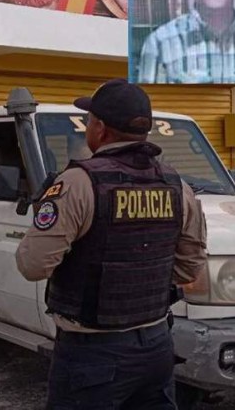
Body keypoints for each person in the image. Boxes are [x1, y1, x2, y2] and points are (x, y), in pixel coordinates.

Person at [15, 78, 207, 409]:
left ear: (100, 129)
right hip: (157, 346)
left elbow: (32, 266)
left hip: (93, 354)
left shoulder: (77, 183)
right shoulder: (178, 187)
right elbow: (190, 266)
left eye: (90, 120)